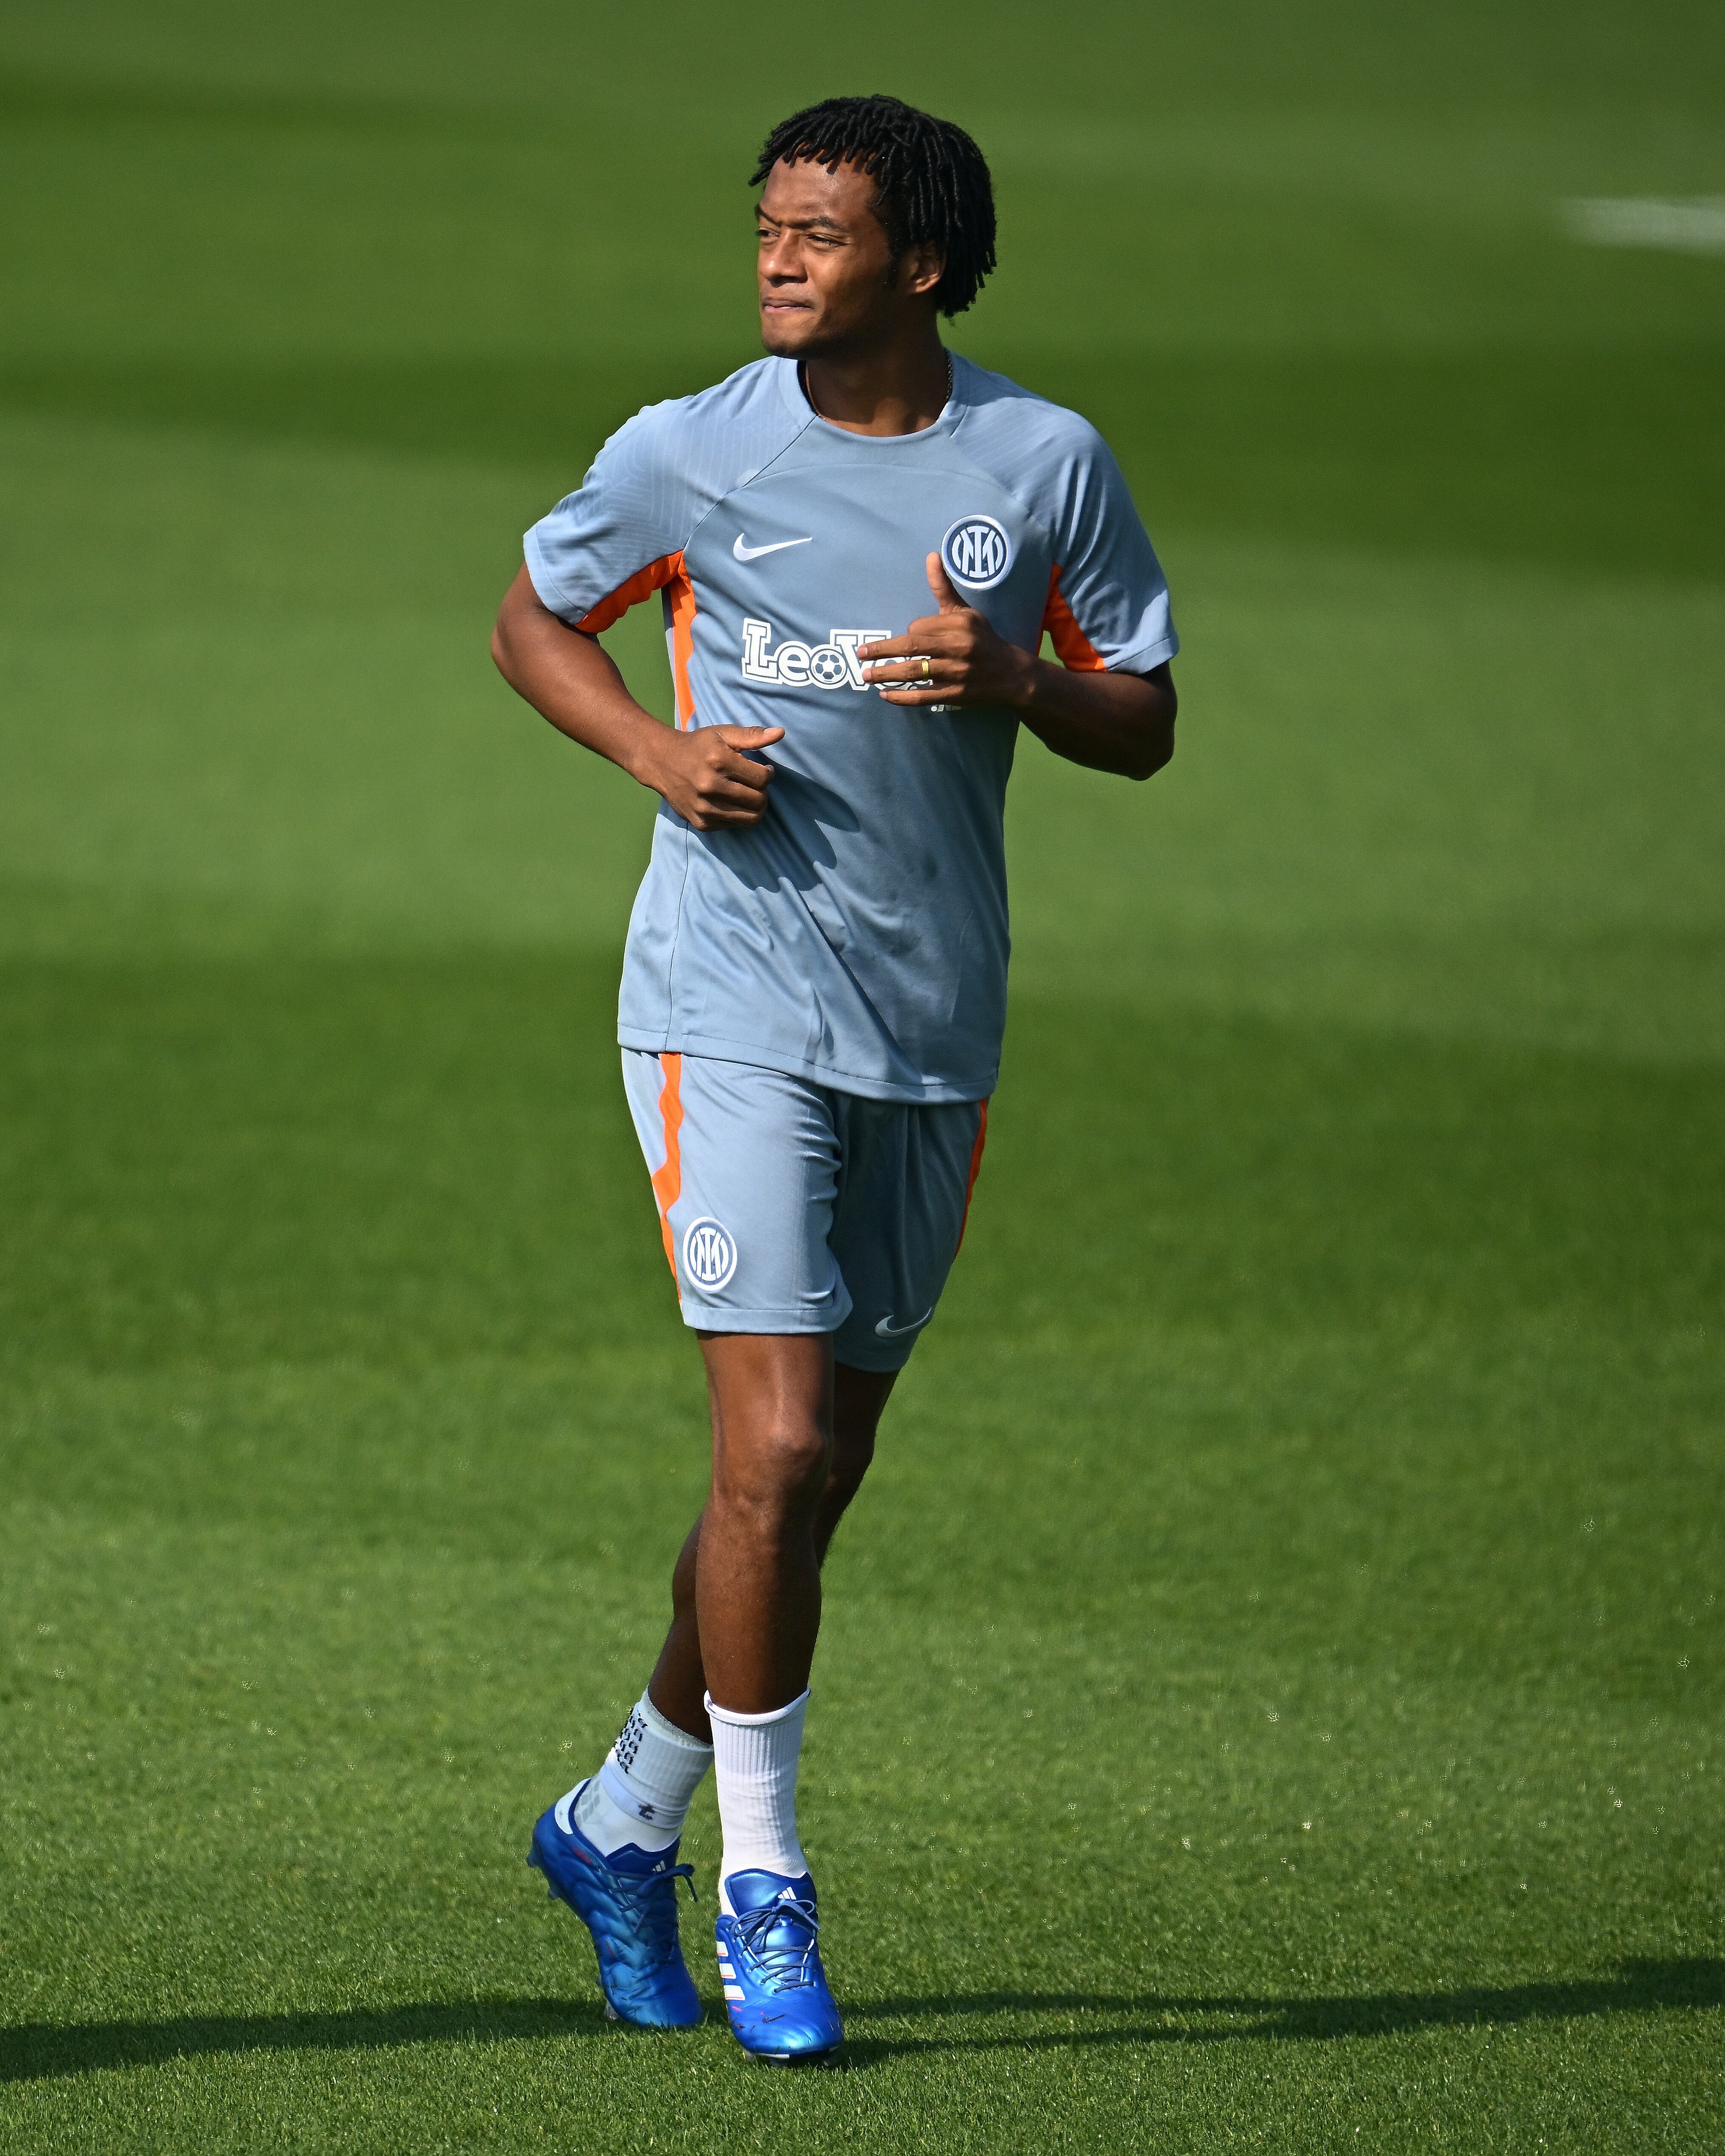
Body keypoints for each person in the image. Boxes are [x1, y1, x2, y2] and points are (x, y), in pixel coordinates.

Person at [491, 92, 1177, 2065]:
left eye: (818, 232)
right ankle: (766, 1889)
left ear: (924, 262)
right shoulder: (691, 450)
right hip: (726, 1002)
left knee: (805, 1482)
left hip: (933, 1018)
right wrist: (647, 751)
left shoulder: (1041, 464)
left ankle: (615, 1823)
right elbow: (535, 614)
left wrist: (1029, 686)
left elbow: (1144, 716)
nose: (779, 259)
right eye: (767, 228)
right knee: (777, 1453)